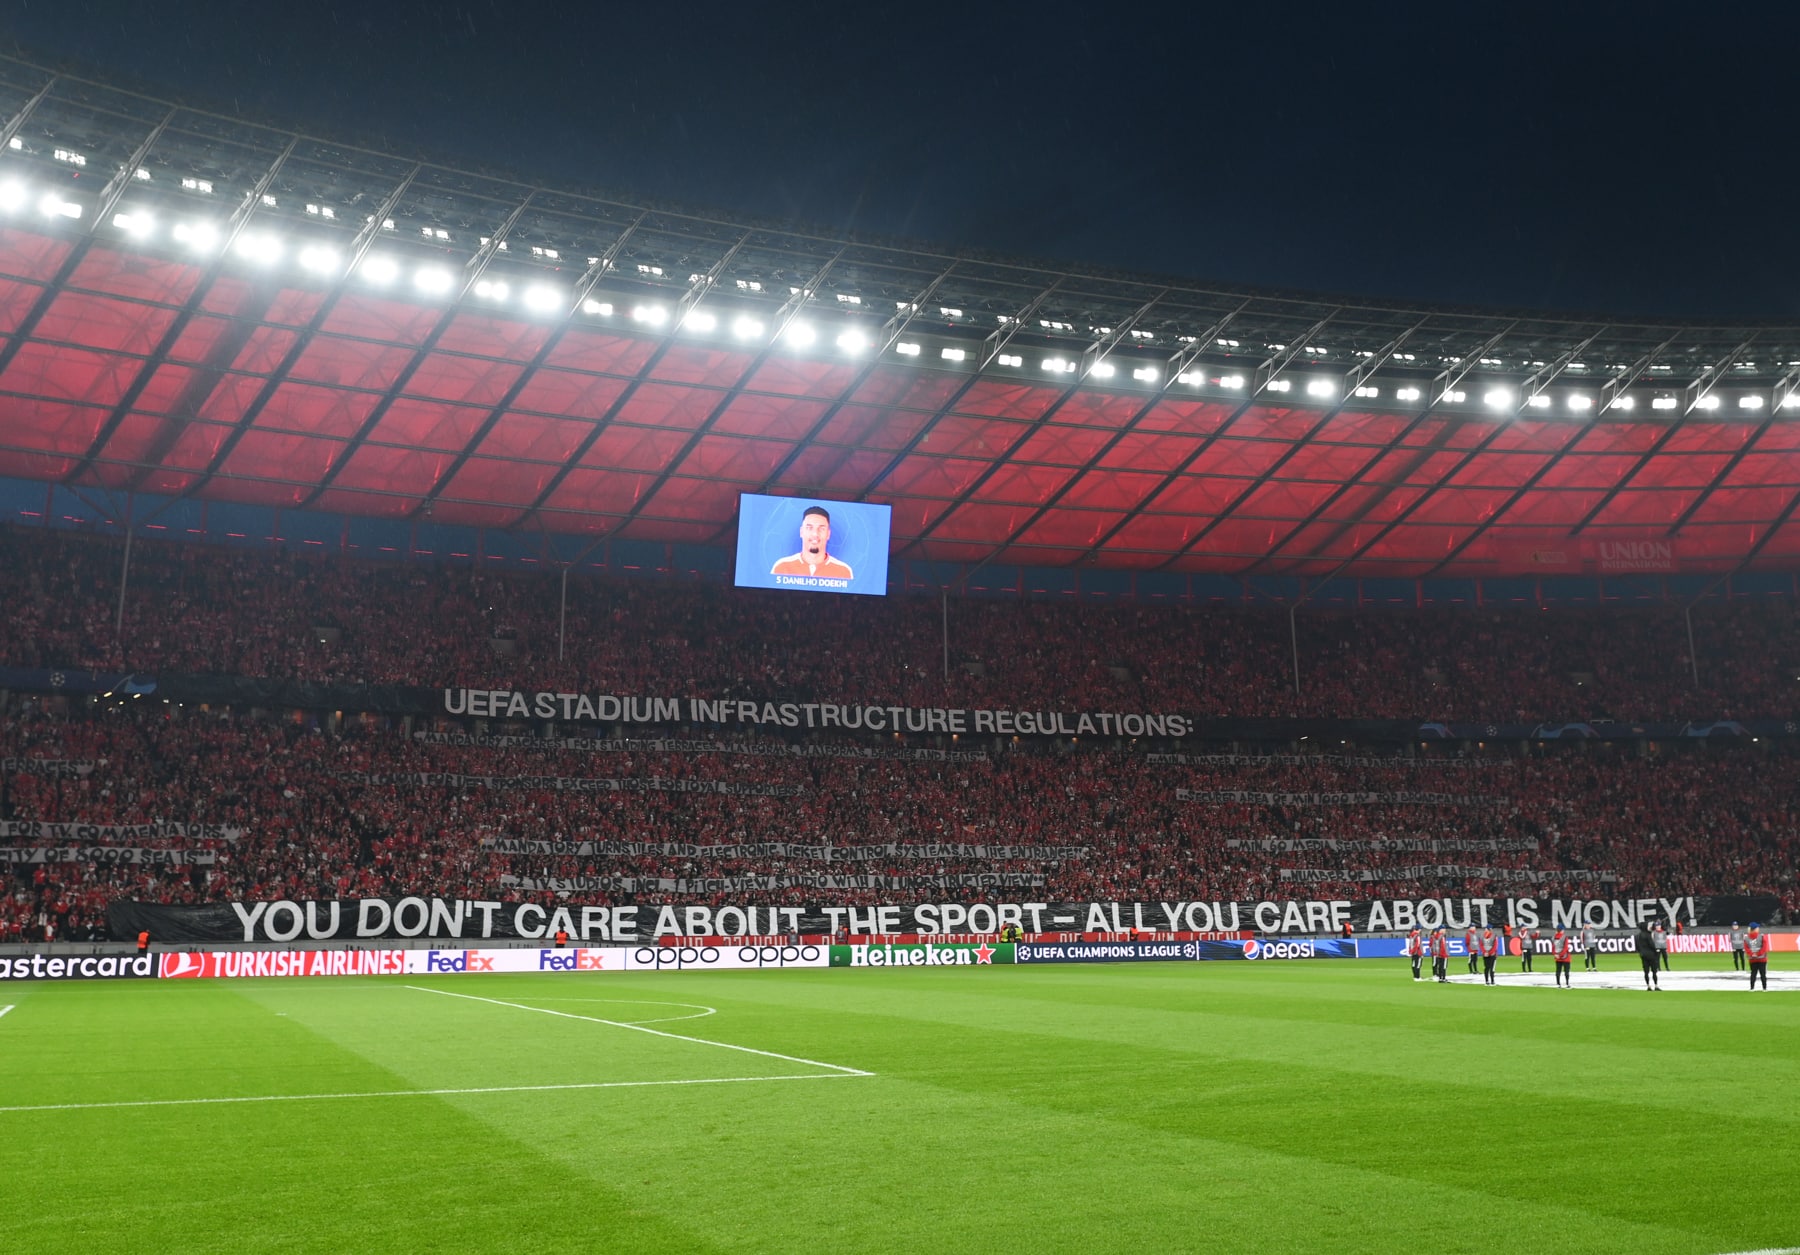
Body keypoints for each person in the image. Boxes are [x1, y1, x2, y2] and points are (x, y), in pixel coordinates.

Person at [770, 506, 854, 580]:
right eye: (809, 528)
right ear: (801, 532)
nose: (815, 534)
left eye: (821, 529)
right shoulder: (782, 566)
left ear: (828, 534)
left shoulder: (844, 571)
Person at [1634, 921, 1660, 991]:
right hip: (1651, 955)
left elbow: (1637, 947)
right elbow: (1651, 945)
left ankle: (1648, 986)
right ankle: (1656, 985)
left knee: (1646, 972)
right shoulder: (1648, 935)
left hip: (1643, 955)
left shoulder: (1637, 936)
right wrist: (1656, 950)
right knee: (1654, 971)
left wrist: (1641, 952)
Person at [1744, 923, 1769, 991]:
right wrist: (1758, 954)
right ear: (1755, 929)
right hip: (1762, 958)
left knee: (1753, 973)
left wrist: (1752, 954)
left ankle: (1752, 988)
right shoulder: (1761, 936)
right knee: (1763, 974)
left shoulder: (1746, 938)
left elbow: (1746, 948)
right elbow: (1764, 947)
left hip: (1752, 959)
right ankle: (1764, 988)